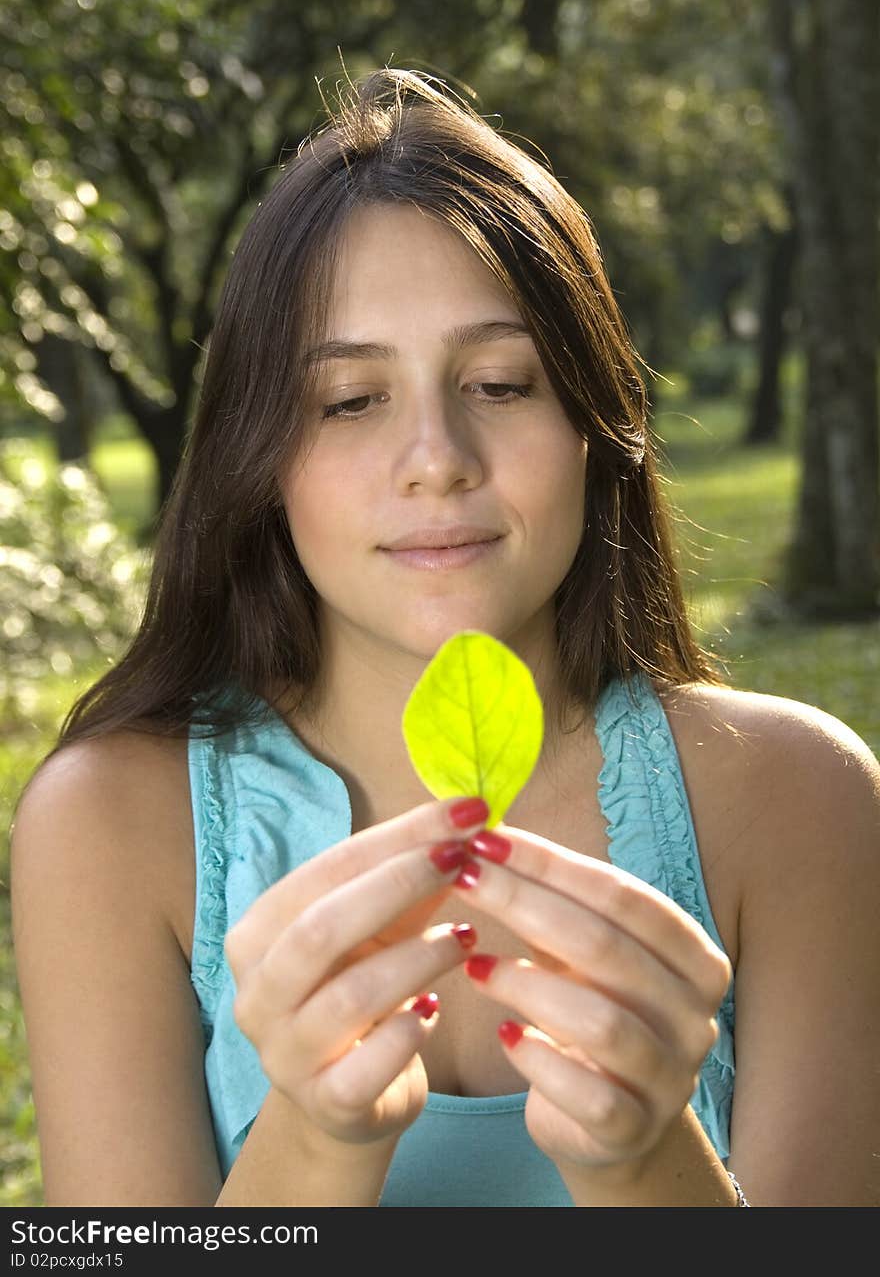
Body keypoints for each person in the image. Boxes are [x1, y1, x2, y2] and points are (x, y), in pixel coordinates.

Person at [10, 67, 879, 1209]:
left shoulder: (802, 797)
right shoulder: (109, 823)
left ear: (593, 427)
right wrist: (318, 1138)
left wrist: (646, 1159)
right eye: (351, 400)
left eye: (500, 382)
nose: (436, 455)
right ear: (260, 456)